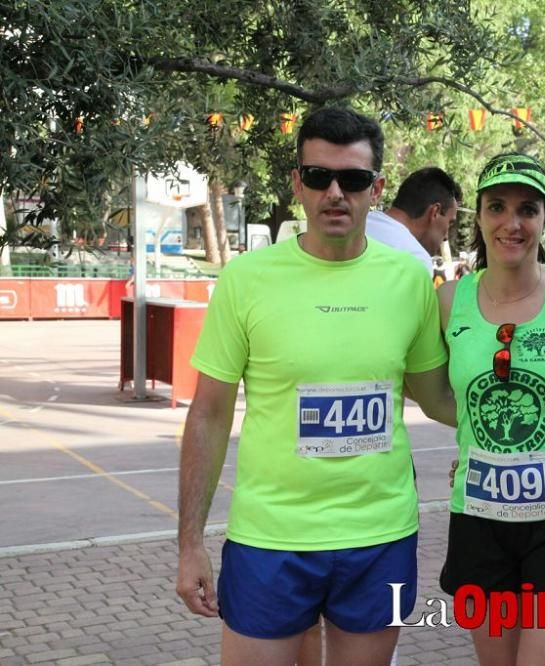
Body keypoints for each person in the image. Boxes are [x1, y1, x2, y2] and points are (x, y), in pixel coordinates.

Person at [175, 107, 456, 666]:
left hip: (381, 538)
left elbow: (437, 398)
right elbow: (207, 414)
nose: (335, 192)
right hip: (270, 541)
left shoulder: (409, 281)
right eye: (318, 177)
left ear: (375, 189)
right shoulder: (246, 280)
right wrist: (189, 545)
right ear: (296, 183)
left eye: (352, 180)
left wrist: (541, 426)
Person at [436, 153, 545, 666]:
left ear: (544, 219)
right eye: (497, 207)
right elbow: (434, 395)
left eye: (527, 210)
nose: (512, 223)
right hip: (479, 517)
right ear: (479, 216)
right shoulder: (449, 301)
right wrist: (477, 436)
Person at [366, 166, 463, 273]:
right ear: (435, 212)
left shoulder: (357, 227)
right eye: (449, 223)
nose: (446, 237)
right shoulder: (416, 260)